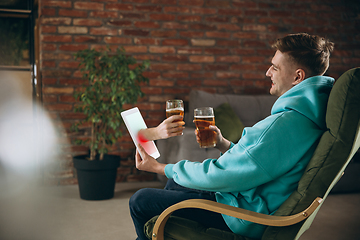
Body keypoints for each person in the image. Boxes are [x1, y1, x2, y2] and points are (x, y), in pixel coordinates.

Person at [129, 33, 335, 240]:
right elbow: (257, 161)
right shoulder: (309, 117)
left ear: (297, 77)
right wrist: (223, 144)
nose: (267, 72)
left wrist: (160, 167)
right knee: (176, 184)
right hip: (249, 198)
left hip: (244, 214)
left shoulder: (285, 124)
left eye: (275, 67)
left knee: (141, 200)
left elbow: (223, 174)